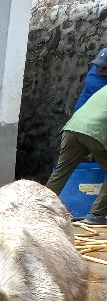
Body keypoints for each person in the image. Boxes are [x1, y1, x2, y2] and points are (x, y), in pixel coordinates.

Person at [45, 85, 107, 224]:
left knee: (61, 172)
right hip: (96, 132)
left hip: (72, 127)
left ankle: (39, 208)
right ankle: (96, 215)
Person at [73, 48, 107, 112]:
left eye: (103, 67)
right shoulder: (96, 84)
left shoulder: (96, 69)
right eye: (97, 65)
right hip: (83, 114)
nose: (99, 69)